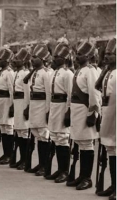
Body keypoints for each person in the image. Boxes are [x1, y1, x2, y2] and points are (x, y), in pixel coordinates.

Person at [66, 41, 101, 190]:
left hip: (85, 109)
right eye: (77, 54)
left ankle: (87, 178)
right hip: (76, 110)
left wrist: (93, 113)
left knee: (87, 144)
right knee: (81, 143)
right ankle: (81, 175)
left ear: (89, 56)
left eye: (80, 54)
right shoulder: (79, 70)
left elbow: (94, 94)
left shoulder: (90, 71)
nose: (77, 56)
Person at [46, 42, 73, 183]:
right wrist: (48, 110)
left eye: (58, 57)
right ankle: (60, 169)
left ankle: (65, 170)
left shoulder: (68, 74)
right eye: (54, 56)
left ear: (65, 58)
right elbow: (50, 94)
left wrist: (68, 112)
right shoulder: (54, 73)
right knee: (56, 137)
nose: (54, 59)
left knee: (63, 138)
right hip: (54, 107)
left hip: (63, 106)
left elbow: (69, 95)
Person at [23, 44, 51, 176]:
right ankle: (41, 163)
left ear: (42, 58)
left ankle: (45, 166)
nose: (32, 59)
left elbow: (49, 94)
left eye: (35, 57)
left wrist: (48, 111)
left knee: (44, 135)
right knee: (37, 135)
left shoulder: (45, 73)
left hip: (42, 106)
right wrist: (28, 106)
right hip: (34, 105)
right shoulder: (34, 72)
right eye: (32, 57)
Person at [95, 38, 116, 200]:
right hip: (107, 111)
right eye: (106, 54)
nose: (107, 56)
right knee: (110, 148)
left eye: (111, 54)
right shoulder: (108, 72)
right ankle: (114, 185)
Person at [0, 48, 15, 165]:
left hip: (7, 102)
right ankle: (5, 153)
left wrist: (12, 106)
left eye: (0, 59)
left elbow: (12, 91)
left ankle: (9, 154)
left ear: (6, 61)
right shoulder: (1, 72)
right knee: (2, 127)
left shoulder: (9, 73)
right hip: (1, 102)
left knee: (8, 128)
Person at [10, 48, 31, 170]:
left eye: (17, 59)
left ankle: (25, 160)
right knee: (18, 130)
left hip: (23, 103)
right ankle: (21, 158)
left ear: (23, 61)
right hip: (17, 103)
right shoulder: (17, 73)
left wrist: (27, 107)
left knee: (24, 132)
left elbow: (27, 92)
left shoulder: (24, 74)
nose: (14, 60)